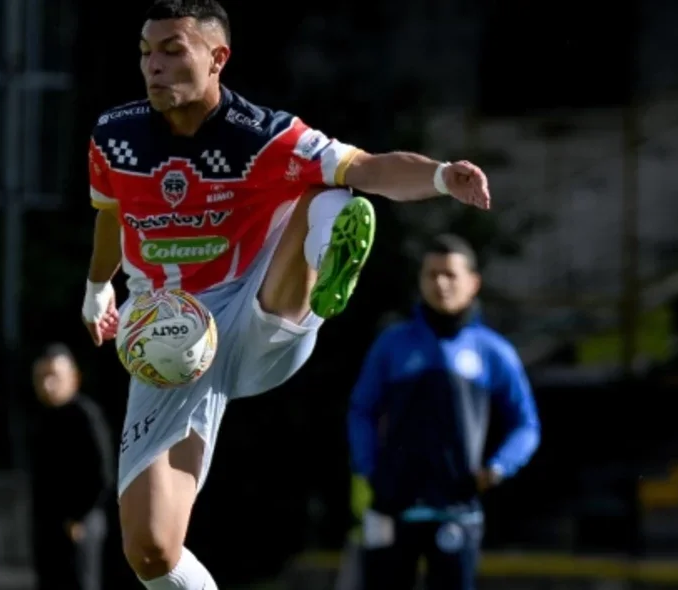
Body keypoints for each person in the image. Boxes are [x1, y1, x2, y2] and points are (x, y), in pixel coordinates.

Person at [80, 1, 494, 587]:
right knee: (150, 551)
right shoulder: (114, 136)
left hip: (258, 314)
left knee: (330, 189)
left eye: (173, 50)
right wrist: (98, 287)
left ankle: (324, 264)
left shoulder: (264, 135)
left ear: (217, 58)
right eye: (147, 52)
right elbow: (110, 214)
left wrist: (440, 175)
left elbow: (368, 166)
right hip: (165, 341)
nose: (154, 65)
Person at [346, 235, 540, 590]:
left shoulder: (492, 351)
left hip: (457, 510)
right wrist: (369, 468)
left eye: (450, 274)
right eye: (431, 274)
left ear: (473, 282)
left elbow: (526, 424)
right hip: (392, 507)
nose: (440, 283)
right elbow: (361, 410)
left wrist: (499, 467)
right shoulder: (393, 344)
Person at [29, 344, 113, 590]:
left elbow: (103, 474)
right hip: (47, 526)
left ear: (73, 378)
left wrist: (79, 518)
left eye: (54, 376)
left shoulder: (86, 417)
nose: (47, 385)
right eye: (41, 377)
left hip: (82, 525)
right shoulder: (41, 418)